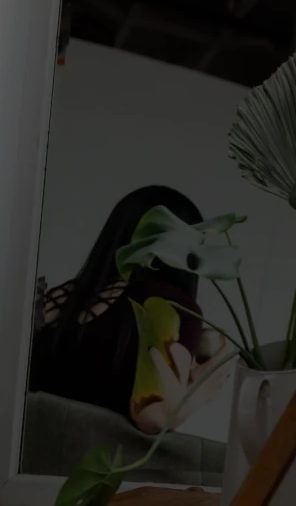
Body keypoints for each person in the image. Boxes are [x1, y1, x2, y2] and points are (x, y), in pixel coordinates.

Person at [27, 185, 231, 435]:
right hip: (77, 464)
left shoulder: (56, 297)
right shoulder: (171, 305)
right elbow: (154, 414)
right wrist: (202, 387)